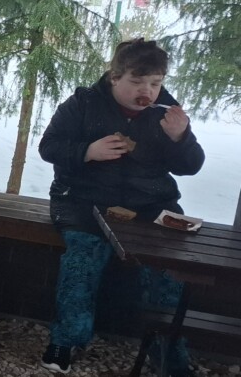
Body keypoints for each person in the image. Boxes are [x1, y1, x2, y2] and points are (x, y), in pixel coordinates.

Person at [38, 38, 204, 376]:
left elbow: (191, 166)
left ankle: (167, 350)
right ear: (115, 77)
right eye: (137, 81)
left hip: (150, 204)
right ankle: (66, 339)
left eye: (155, 83)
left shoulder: (167, 113)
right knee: (82, 260)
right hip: (83, 201)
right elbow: (49, 147)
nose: (147, 91)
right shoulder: (83, 103)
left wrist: (181, 138)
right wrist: (88, 151)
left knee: (167, 270)